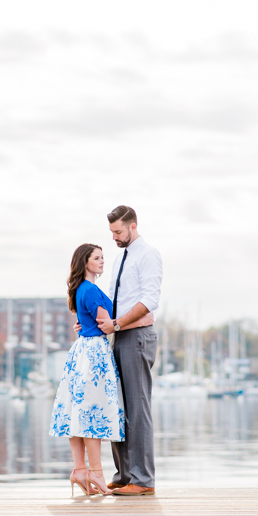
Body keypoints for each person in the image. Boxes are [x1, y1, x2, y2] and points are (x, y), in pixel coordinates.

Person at [49, 243, 154, 496]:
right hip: (95, 352)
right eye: (97, 257)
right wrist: (142, 320)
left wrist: (86, 326)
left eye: (103, 257)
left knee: (77, 410)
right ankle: (95, 472)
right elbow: (107, 325)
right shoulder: (93, 291)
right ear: (85, 261)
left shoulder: (79, 290)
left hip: (81, 350)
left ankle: (79, 470)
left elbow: (89, 321)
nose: (102, 261)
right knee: (91, 412)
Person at [82, 205, 163, 496]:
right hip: (117, 336)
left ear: (132, 226)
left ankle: (142, 481)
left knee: (138, 408)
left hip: (137, 336)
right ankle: (125, 474)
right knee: (118, 407)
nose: (115, 237)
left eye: (118, 231)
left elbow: (149, 299)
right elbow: (117, 301)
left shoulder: (148, 255)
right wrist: (95, 324)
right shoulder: (119, 260)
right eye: (111, 232)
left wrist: (116, 323)